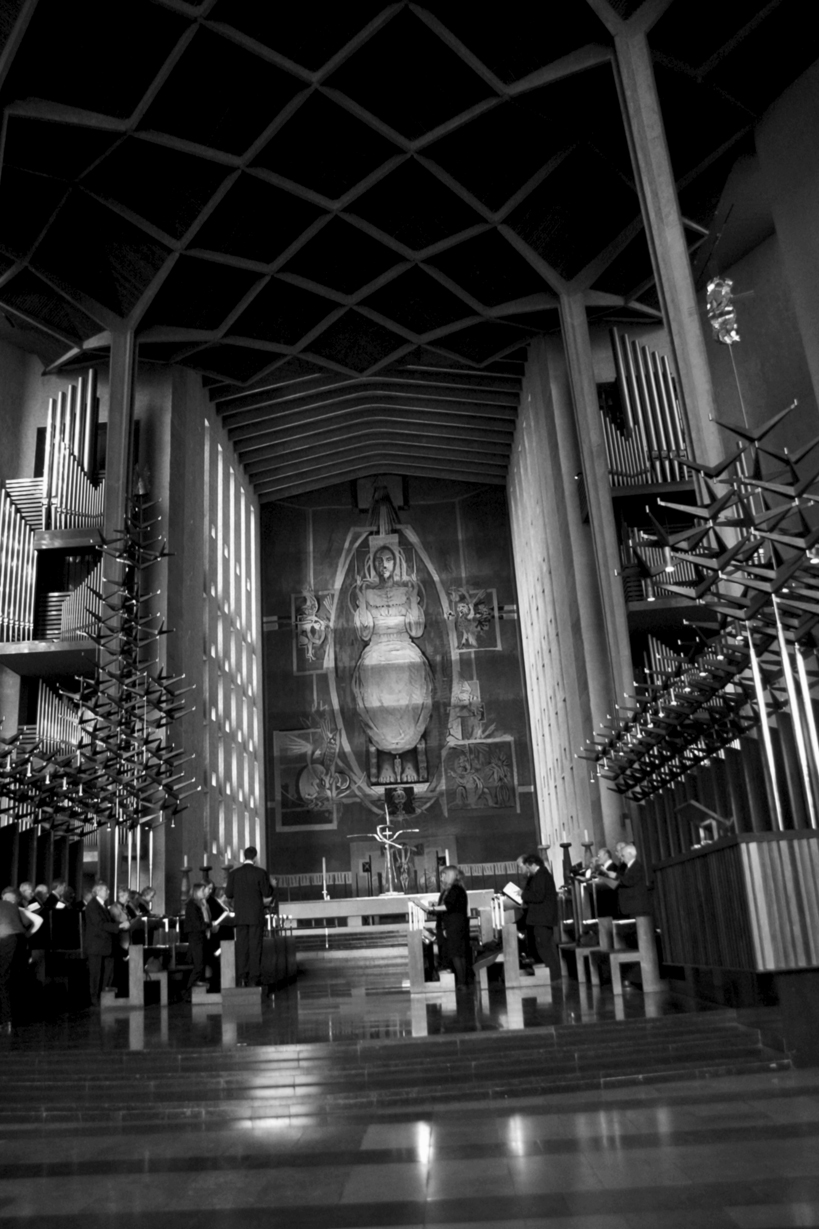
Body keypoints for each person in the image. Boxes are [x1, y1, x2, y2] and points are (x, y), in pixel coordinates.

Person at [351, 541, 433, 785]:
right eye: (378, 560)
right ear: (373, 564)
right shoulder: (367, 591)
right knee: (372, 676)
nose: (383, 565)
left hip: (404, 645)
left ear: (396, 563)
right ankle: (386, 757)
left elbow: (416, 630)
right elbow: (365, 634)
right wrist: (361, 602)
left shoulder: (406, 589)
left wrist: (414, 598)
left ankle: (409, 755)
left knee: (413, 673)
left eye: (388, 560)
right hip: (376, 649)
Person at [417, 865, 472, 990]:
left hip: (455, 925)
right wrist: (430, 910)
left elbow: (448, 906)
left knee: (456, 954)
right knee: (456, 953)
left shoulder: (456, 889)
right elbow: (442, 908)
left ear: (450, 875)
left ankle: (462, 982)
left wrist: (431, 908)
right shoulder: (448, 890)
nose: (441, 878)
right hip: (451, 924)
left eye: (443, 875)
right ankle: (461, 981)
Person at [225, 847, 272, 987]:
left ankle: (242, 977)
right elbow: (267, 892)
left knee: (242, 947)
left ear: (243, 857)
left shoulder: (234, 874)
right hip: (256, 916)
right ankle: (254, 978)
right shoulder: (260, 873)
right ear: (255, 858)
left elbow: (228, 894)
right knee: (255, 947)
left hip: (240, 917)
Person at [0, 887, 43, 1033]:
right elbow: (39, 919)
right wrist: (27, 935)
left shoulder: (4, 906)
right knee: (14, 979)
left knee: (3, 980)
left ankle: (6, 1020)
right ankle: (12, 1018)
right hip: (19, 942)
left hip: (5, 942)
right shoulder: (18, 908)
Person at [84, 883, 129, 1006]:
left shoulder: (102, 906)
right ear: (97, 892)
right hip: (97, 945)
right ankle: (96, 999)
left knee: (107, 973)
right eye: (106, 890)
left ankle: (105, 997)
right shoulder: (93, 906)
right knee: (96, 974)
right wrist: (119, 926)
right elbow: (100, 924)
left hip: (106, 945)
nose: (108, 891)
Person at [520, 853, 562, 982]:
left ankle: (554, 975)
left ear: (533, 865)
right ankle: (554, 974)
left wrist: (523, 895)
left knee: (544, 947)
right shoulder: (542, 874)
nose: (527, 870)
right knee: (545, 947)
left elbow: (538, 896)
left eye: (528, 867)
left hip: (542, 918)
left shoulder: (541, 875)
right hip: (543, 918)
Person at [183, 884, 210, 995]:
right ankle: (189, 990)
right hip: (195, 937)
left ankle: (193, 990)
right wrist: (209, 925)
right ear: (196, 892)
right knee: (198, 965)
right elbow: (196, 924)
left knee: (200, 965)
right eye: (202, 891)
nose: (204, 893)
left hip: (199, 937)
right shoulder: (192, 905)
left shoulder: (199, 904)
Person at [616, 843, 652, 917]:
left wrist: (616, 876)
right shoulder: (627, 867)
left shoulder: (637, 866)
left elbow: (629, 881)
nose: (622, 857)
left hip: (636, 907)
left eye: (623, 855)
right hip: (630, 906)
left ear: (630, 854)